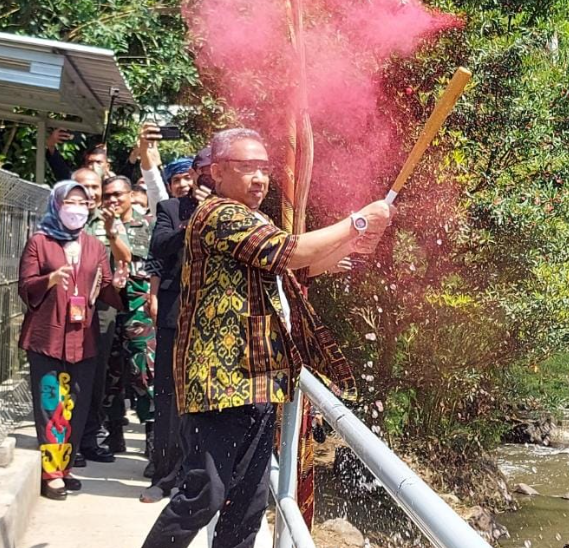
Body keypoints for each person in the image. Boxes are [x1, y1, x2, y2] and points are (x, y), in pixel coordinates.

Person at [140, 128, 392, 548]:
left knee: (248, 503)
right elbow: (291, 252)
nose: (259, 178)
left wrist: (357, 239)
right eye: (247, 168)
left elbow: (301, 266)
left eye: (263, 168)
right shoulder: (219, 215)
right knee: (205, 496)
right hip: (220, 384)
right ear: (217, 172)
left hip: (258, 378)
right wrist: (358, 221)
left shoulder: (256, 220)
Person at [17, 181, 128, 500]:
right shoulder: (40, 242)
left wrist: (117, 285)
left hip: (84, 339)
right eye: (70, 201)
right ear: (57, 204)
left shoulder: (94, 245)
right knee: (52, 404)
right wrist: (49, 279)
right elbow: (25, 287)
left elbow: (104, 288)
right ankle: (51, 475)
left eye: (82, 203)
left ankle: (64, 467)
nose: (77, 208)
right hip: (48, 336)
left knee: (75, 406)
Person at [139, 150, 208, 503]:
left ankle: (193, 475)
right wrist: (191, 223)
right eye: (179, 179)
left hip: (212, 319)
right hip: (173, 314)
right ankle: (164, 475)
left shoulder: (233, 211)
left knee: (201, 400)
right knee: (167, 395)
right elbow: (160, 246)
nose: (189, 183)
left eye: (191, 177)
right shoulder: (170, 210)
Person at [72, 166, 127, 465]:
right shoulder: (59, 220)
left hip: (100, 308)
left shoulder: (109, 221)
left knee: (96, 375)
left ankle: (89, 439)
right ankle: (68, 440)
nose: (91, 193)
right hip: (65, 306)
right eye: (84, 187)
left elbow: (125, 256)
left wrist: (111, 233)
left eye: (96, 187)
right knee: (68, 374)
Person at [98, 175, 156, 456]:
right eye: (107, 195)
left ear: (131, 195)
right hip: (109, 307)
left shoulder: (143, 224)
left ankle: (152, 442)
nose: (112, 200)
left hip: (137, 309)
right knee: (111, 373)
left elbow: (129, 257)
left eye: (117, 194)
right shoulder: (93, 225)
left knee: (142, 372)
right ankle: (114, 435)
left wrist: (111, 232)